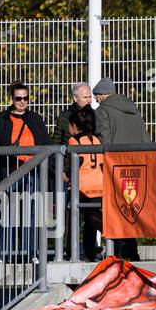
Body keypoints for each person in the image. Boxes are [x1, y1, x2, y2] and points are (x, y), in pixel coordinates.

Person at [0, 81, 49, 181]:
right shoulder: (1, 118)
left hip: (33, 170)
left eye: (25, 98)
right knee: (10, 196)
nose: (22, 101)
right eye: (18, 98)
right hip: (10, 171)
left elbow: (46, 143)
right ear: (12, 99)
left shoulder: (36, 119)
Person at [64, 105, 105, 261]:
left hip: (82, 187)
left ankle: (72, 252)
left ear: (74, 126)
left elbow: (75, 163)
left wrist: (66, 175)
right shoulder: (96, 139)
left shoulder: (74, 141)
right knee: (91, 223)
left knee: (74, 220)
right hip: (99, 186)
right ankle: (91, 252)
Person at [93, 77, 147, 147]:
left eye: (96, 96)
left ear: (102, 95)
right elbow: (144, 135)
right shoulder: (133, 107)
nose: (96, 100)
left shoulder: (101, 111)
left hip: (116, 155)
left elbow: (104, 138)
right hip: (137, 155)